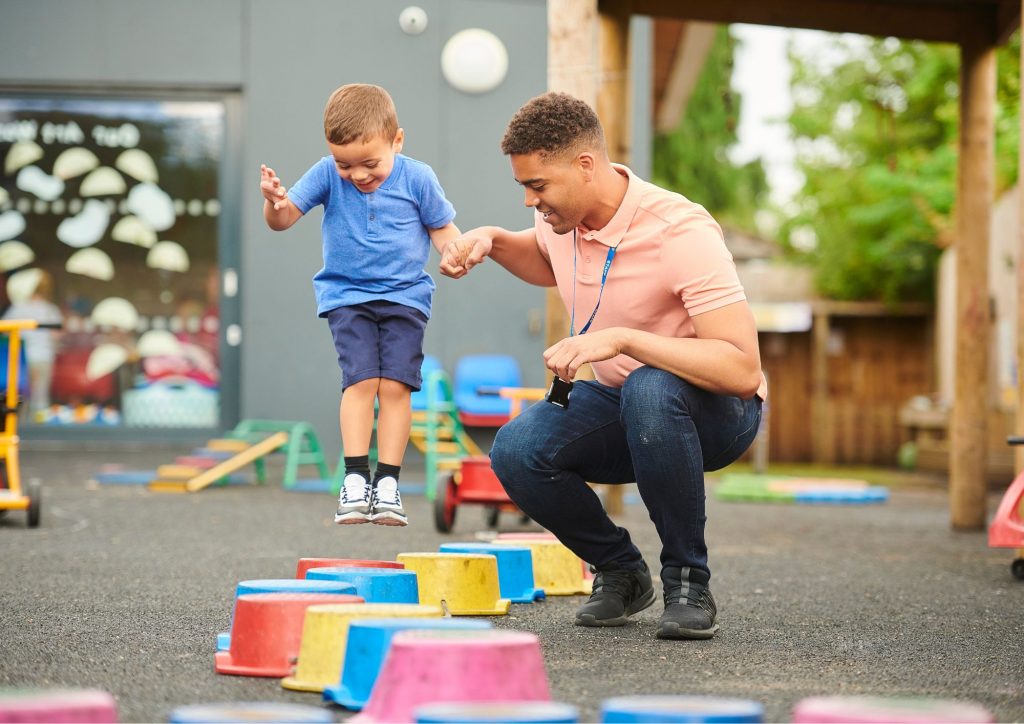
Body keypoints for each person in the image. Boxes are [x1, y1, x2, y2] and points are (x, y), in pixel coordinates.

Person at [439, 92, 765, 639]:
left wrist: (621, 340)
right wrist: (491, 241)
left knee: (650, 387)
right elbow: (544, 259)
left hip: (716, 411)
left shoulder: (679, 231)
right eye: (523, 186)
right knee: (517, 450)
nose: (529, 200)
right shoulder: (561, 221)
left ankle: (688, 580)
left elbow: (741, 370)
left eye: (537, 185)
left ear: (585, 166)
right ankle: (621, 571)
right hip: (628, 403)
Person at [261, 83, 459, 527]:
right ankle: (355, 479)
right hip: (347, 295)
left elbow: (443, 229)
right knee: (361, 381)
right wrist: (273, 203)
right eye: (345, 163)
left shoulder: (418, 178)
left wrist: (455, 253)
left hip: (406, 296)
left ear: (397, 140)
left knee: (396, 387)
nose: (358, 174)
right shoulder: (326, 174)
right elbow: (284, 219)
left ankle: (387, 483)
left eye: (370, 163)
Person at [3, 268, 63, 419]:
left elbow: (4, 329)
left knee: (20, 394)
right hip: (43, 356)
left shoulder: (18, 308)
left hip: (20, 358)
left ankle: (22, 424)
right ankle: (39, 429)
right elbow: (58, 334)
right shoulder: (50, 309)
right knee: (40, 396)